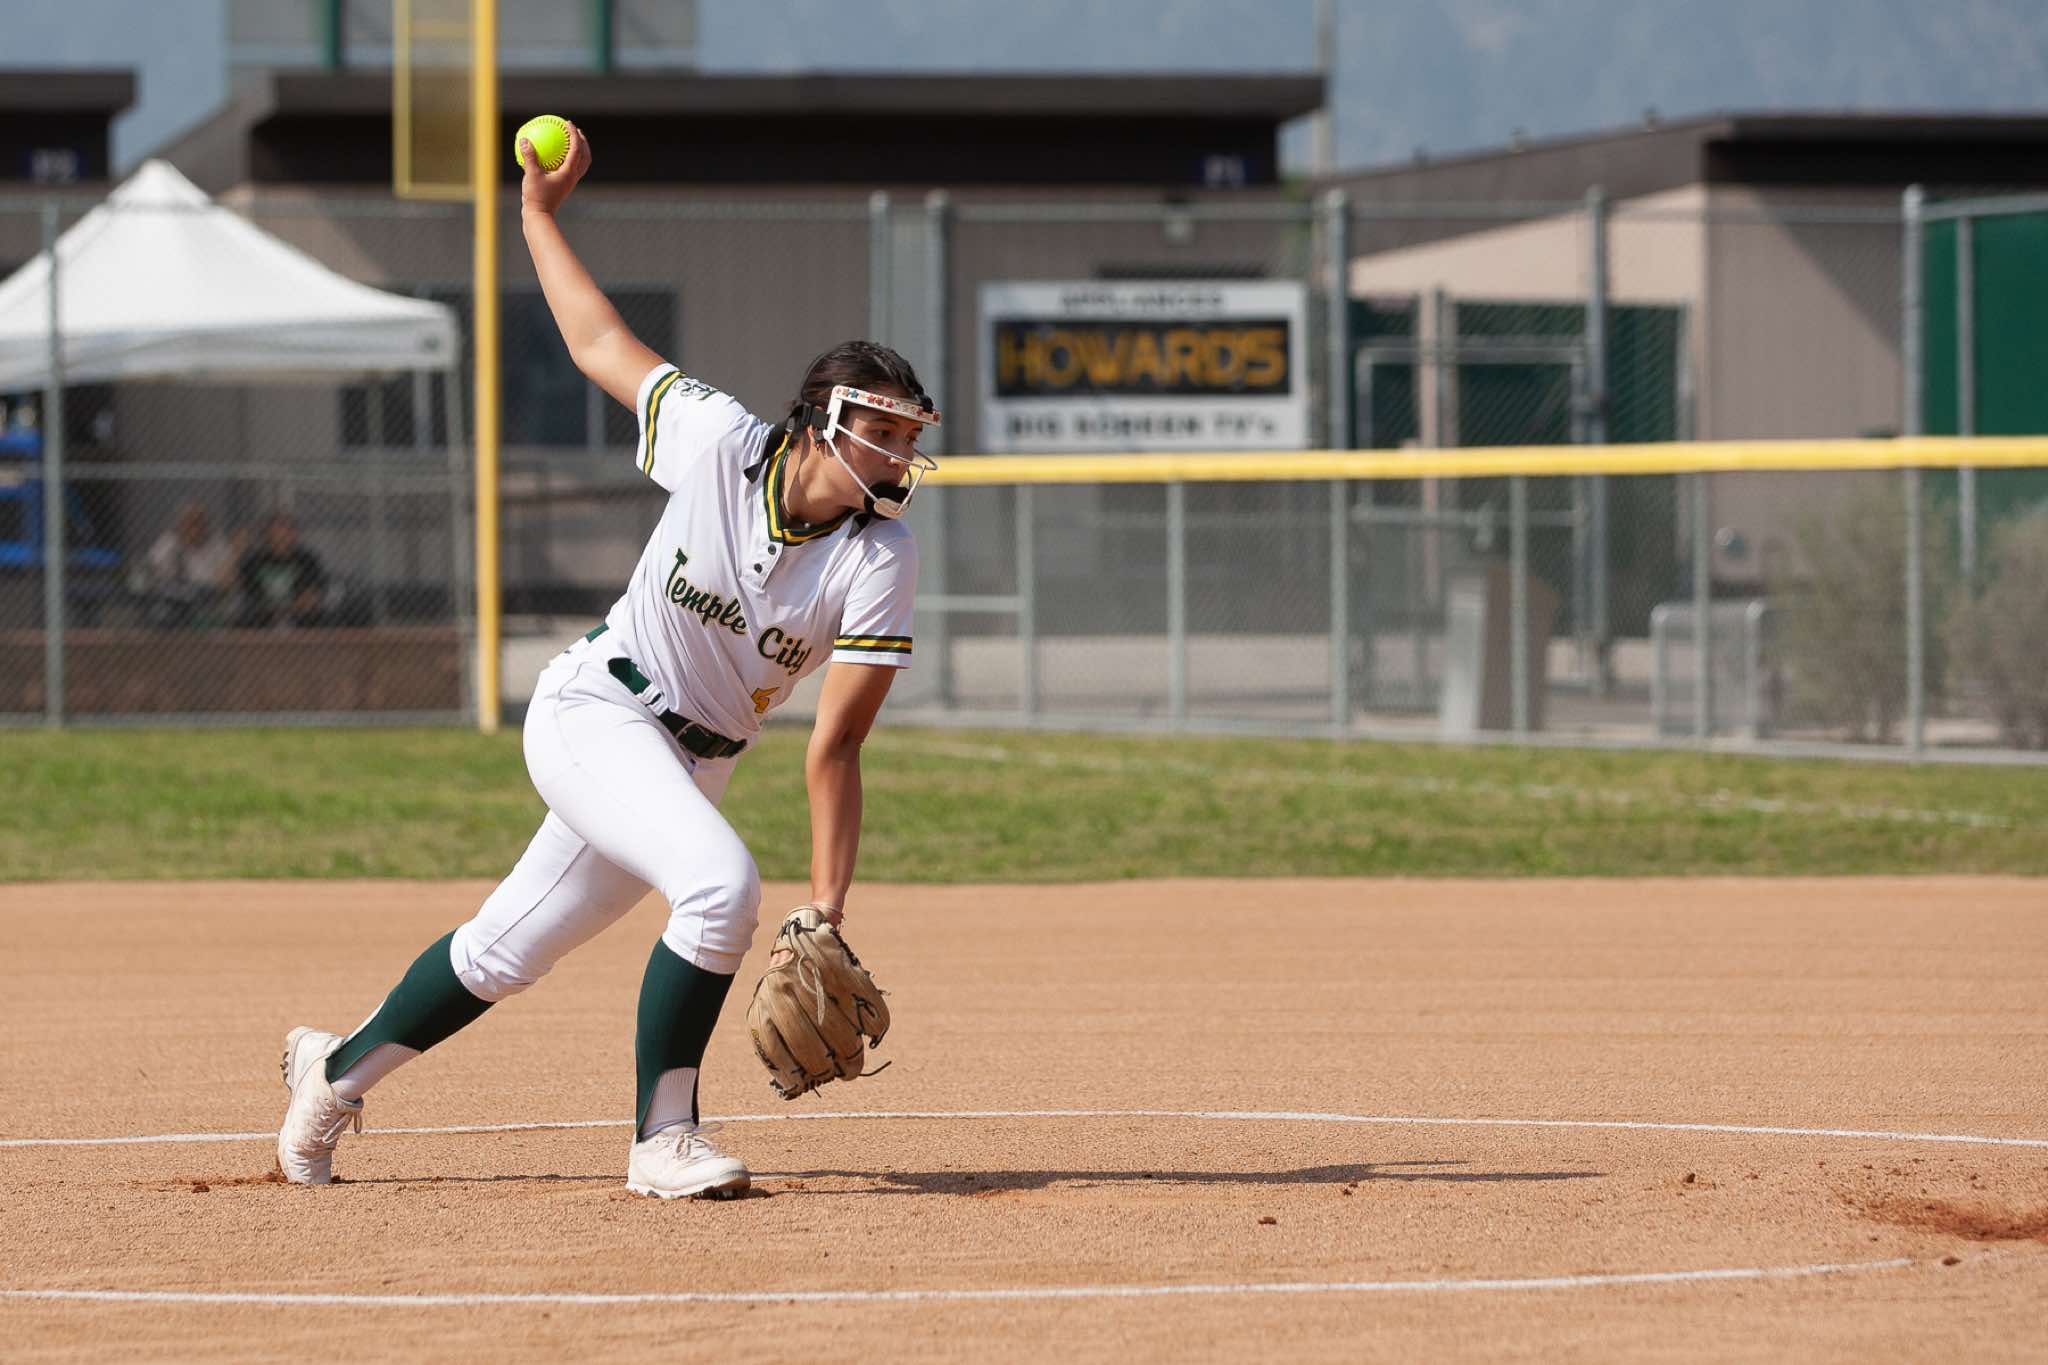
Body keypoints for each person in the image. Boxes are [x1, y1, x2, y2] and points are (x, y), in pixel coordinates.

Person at [276, 121, 940, 1199]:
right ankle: (662, 1139)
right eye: (886, 431)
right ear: (824, 423)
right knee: (718, 888)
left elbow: (837, 744)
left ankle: (331, 1074)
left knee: (503, 953)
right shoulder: (722, 445)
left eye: (911, 437)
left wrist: (828, 904)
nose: (902, 454)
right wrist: (537, 213)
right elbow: (596, 343)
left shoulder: (880, 557)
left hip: (697, 762)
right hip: (597, 711)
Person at [134, 500, 237, 627]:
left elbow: (228, 580)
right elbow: (154, 574)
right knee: (161, 612)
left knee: (233, 608)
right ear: (181, 524)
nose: (196, 527)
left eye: (200, 522)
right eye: (190, 522)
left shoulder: (217, 543)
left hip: (210, 595)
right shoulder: (169, 542)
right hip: (176, 598)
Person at [234, 511, 329, 628]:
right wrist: (237, 551)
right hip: (262, 617)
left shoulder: (306, 559)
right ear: (268, 533)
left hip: (298, 616)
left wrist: (288, 607)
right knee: (245, 616)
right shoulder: (255, 559)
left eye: (290, 528)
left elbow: (311, 597)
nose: (287, 533)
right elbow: (242, 590)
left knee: (316, 615)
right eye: (280, 528)